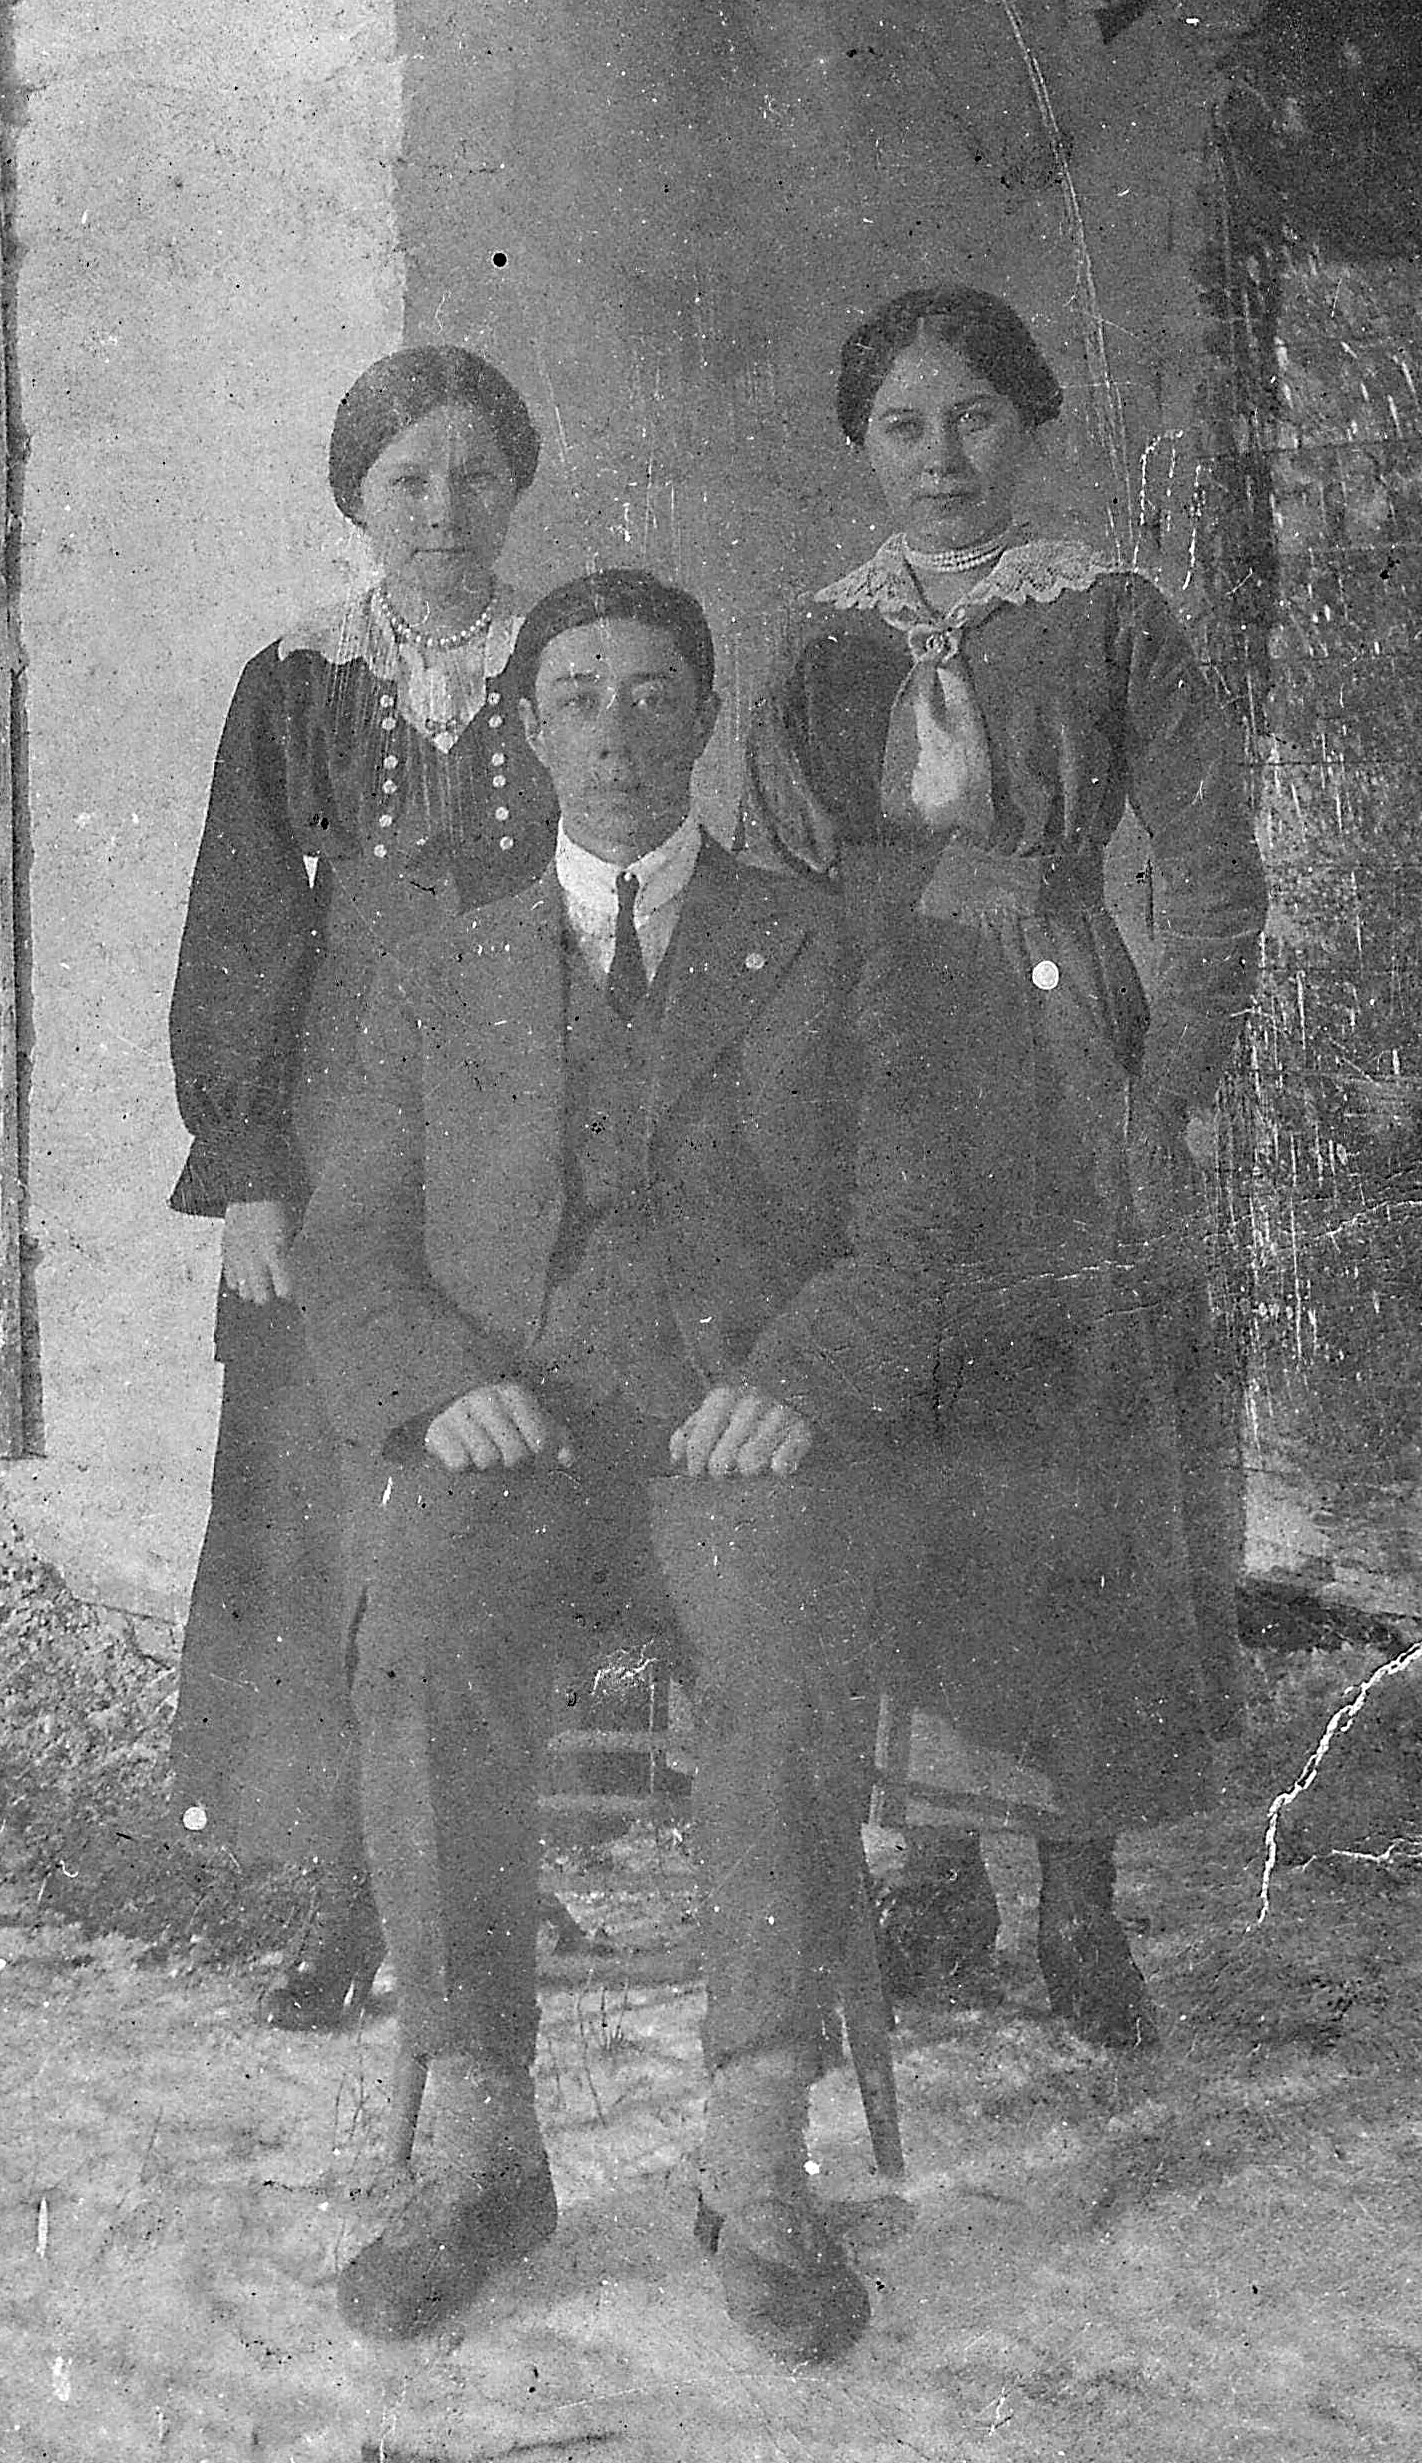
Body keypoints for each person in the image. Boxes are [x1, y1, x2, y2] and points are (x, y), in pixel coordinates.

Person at [295, 567, 973, 2363]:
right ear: (529, 734)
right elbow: (350, 1246)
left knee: (784, 1637)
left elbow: (908, 1232)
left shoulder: (822, 945)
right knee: (421, 1617)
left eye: (652, 693)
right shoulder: (437, 974)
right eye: (577, 695)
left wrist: (803, 1379)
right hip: (509, 1438)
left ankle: (755, 2157)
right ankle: (479, 2150)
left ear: (700, 720)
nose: (613, 728)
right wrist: (437, 1384)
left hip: (730, 1439)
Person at [740, 284, 1268, 2050]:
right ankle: (930, 1881)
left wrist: (1168, 1084)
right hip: (880, 1075)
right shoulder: (818, 644)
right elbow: (774, 891)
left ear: (1028, 427)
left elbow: (1208, 868)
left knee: (1076, 1459)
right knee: (909, 1440)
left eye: (973, 418)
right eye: (902, 426)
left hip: (1065, 1076)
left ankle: (1079, 1903)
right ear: (861, 448)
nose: (941, 458)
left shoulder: (1108, 614)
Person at [168, 346, 558, 2029]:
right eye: (409, 480)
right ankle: (344, 1886)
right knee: (319, 1491)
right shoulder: (297, 678)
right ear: (357, 499)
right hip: (335, 1121)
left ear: (515, 487)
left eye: (475, 474)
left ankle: (495, 1867)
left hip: (523, 1104)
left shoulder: (573, 658)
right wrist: (251, 1166)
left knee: (505, 1470)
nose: (444, 510)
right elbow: (244, 923)